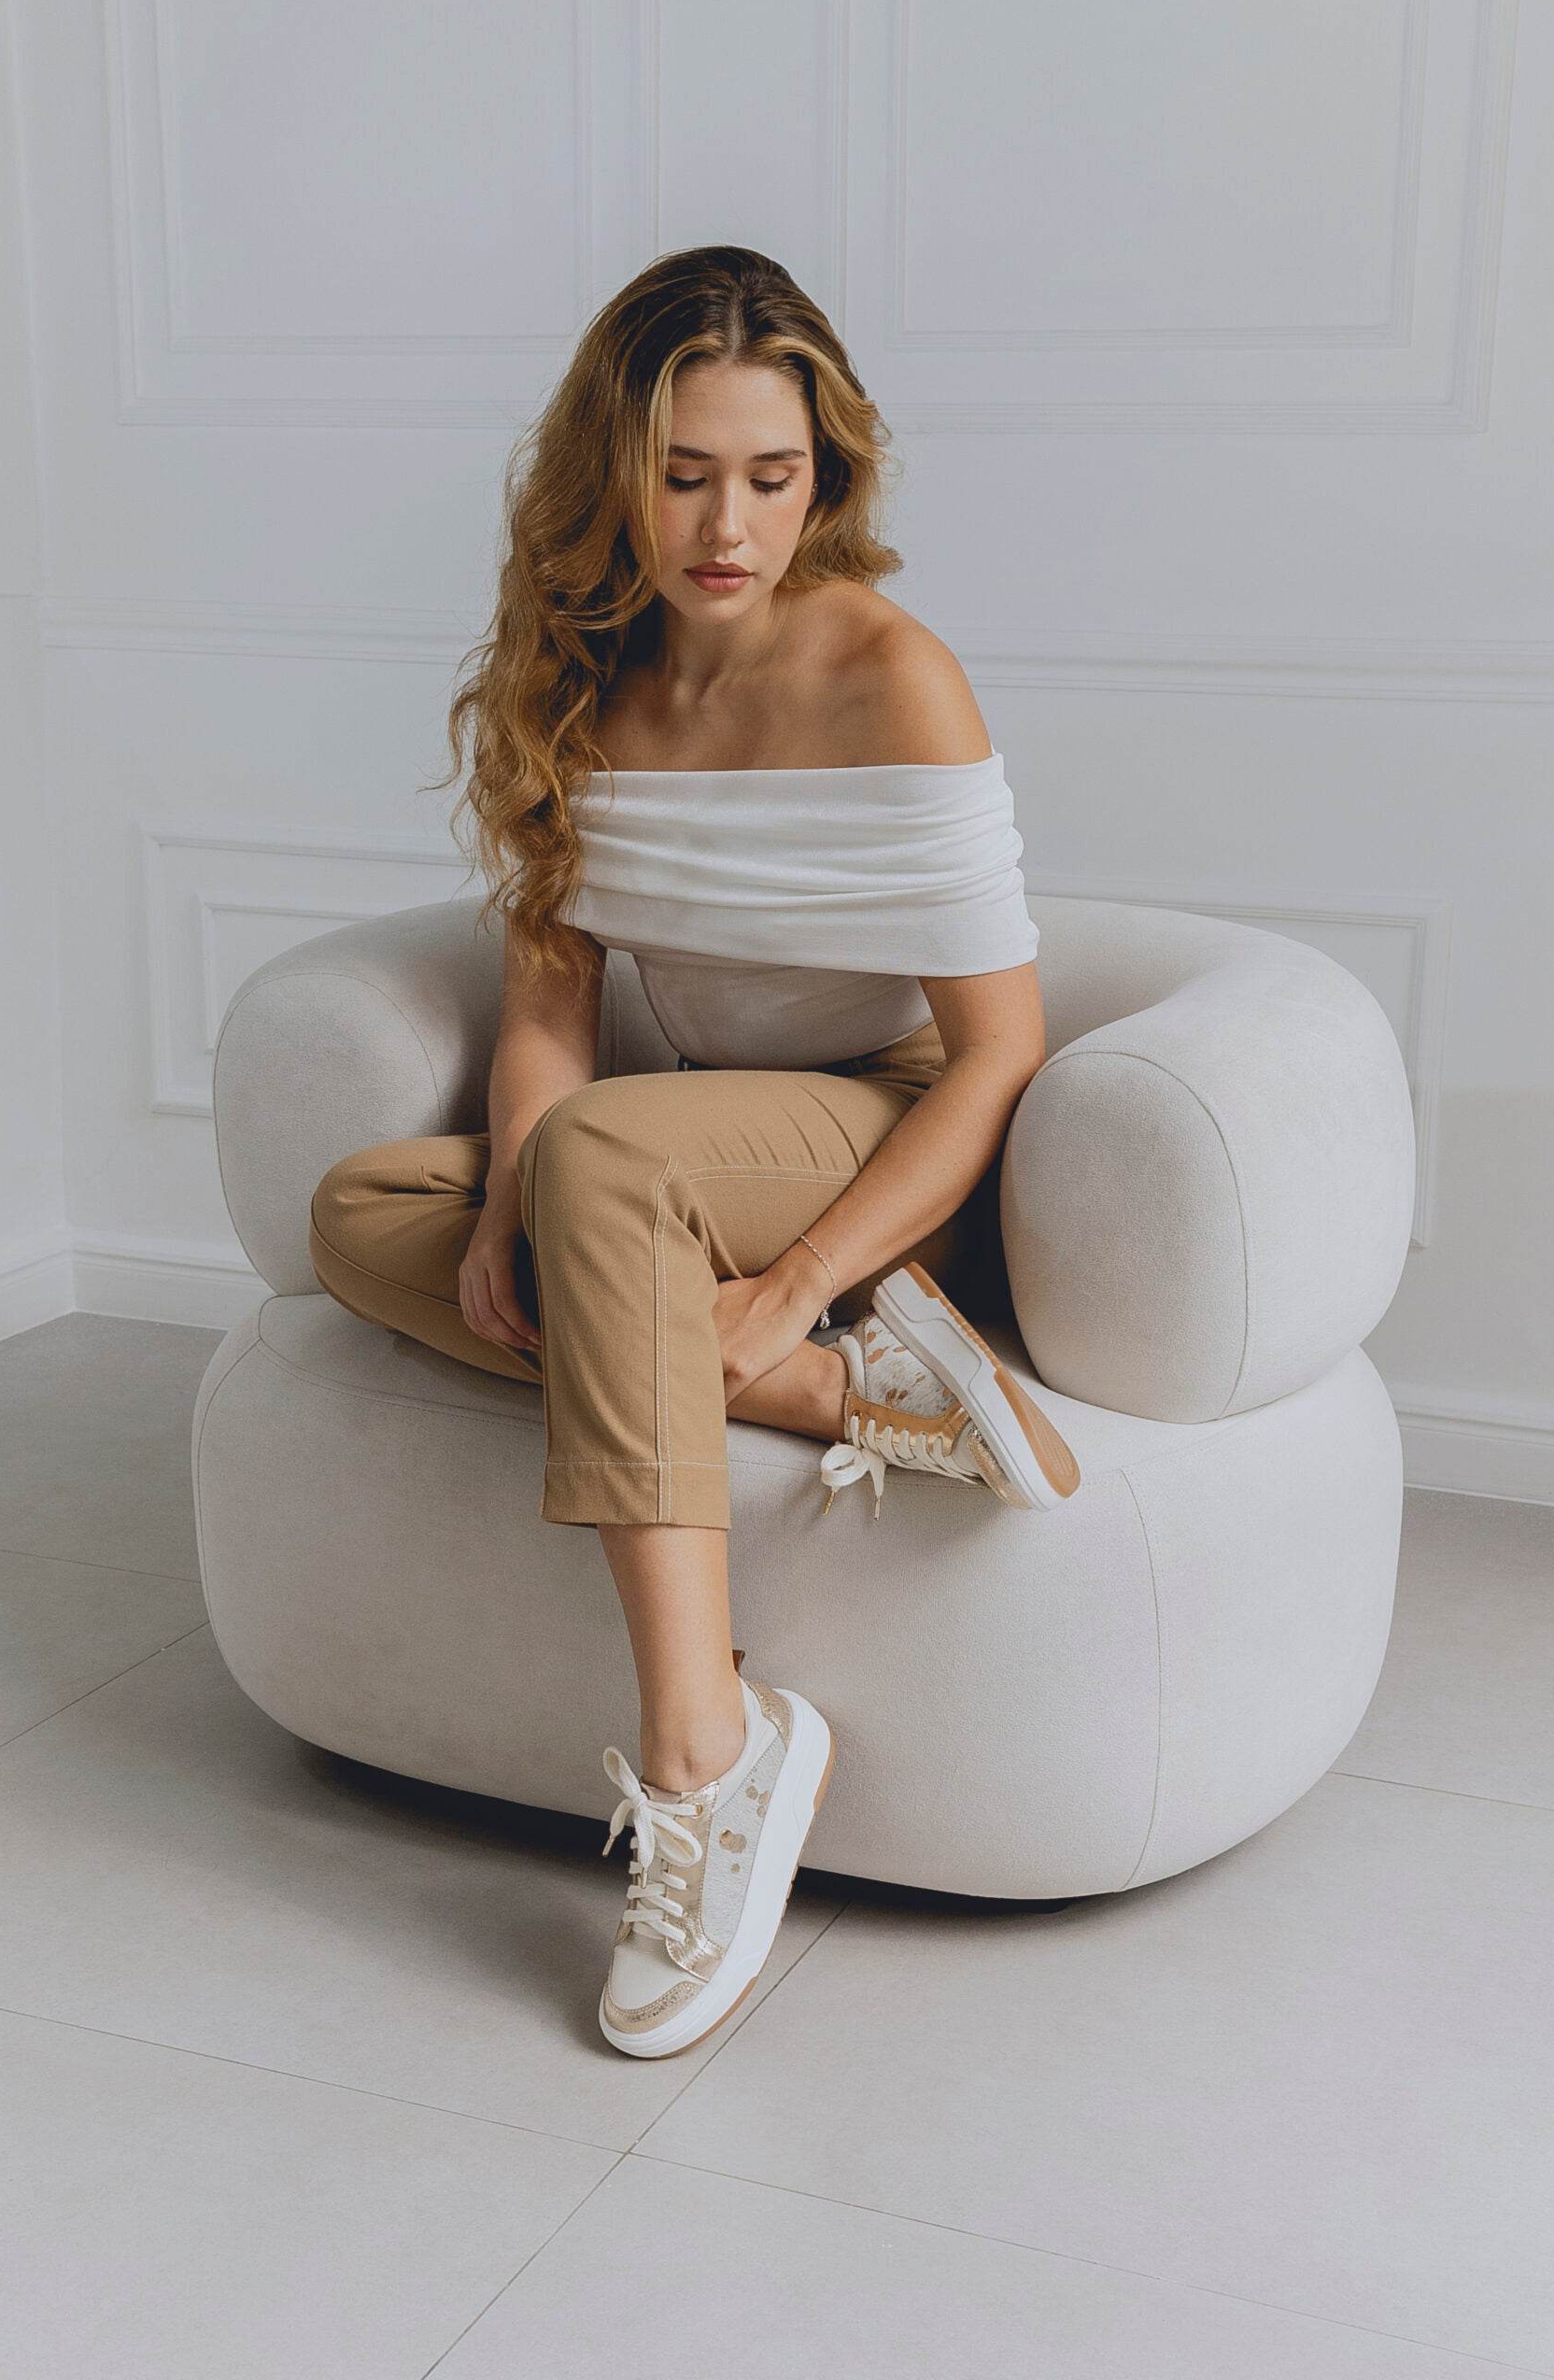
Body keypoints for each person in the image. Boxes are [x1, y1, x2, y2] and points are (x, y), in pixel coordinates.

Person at [307, 245, 1081, 2061]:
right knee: (364, 1212)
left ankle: (708, 1755)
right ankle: (852, 1397)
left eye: (770, 473)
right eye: (681, 475)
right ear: (610, 469)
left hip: (874, 1140)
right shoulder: (577, 675)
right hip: (676, 1158)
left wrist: (806, 1269)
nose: (726, 524)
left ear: (825, 476)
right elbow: (550, 1013)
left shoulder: (893, 677)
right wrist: (503, 1194)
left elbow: (998, 1053)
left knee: (600, 1167)